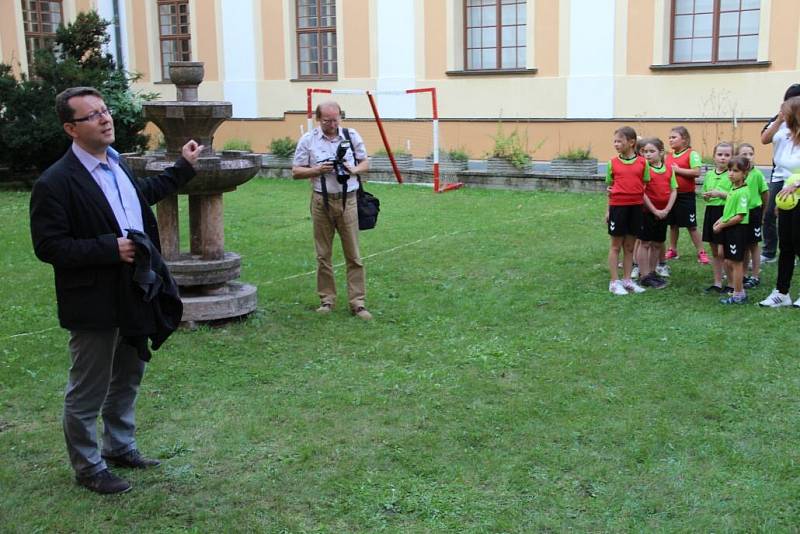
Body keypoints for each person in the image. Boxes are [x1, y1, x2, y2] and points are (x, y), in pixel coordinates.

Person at [29, 87, 203, 494]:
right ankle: (88, 468)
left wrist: (183, 168)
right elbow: (48, 246)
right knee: (88, 387)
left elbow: (138, 200)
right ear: (71, 128)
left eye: (104, 111)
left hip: (134, 291)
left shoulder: (118, 163)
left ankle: (120, 446)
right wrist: (110, 248)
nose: (105, 119)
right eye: (92, 116)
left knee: (128, 374)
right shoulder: (55, 183)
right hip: (94, 300)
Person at [292, 101, 372, 320]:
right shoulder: (308, 140)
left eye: (336, 119)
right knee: (323, 255)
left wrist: (353, 169)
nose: (332, 124)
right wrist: (317, 170)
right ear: (318, 119)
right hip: (321, 201)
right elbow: (296, 171)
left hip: (349, 200)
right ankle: (327, 300)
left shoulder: (350, 135)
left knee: (354, 254)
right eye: (327, 120)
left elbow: (366, 162)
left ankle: (358, 303)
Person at [760, 95, 800, 308]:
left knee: (798, 242)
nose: (781, 115)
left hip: (797, 192)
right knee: (785, 245)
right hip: (787, 196)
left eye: (785, 112)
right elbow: (766, 139)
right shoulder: (784, 134)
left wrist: (797, 184)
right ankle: (781, 292)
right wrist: (780, 201)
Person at [605, 126, 650, 295]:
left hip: (636, 207)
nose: (616, 144)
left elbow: (645, 181)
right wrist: (608, 210)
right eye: (614, 141)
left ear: (631, 143)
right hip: (618, 207)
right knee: (616, 245)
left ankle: (627, 280)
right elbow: (609, 187)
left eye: (619, 141)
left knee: (630, 246)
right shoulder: (612, 163)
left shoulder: (642, 163)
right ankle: (614, 282)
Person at [665, 126, 709, 264]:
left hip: (686, 196)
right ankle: (672, 250)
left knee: (691, 225)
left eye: (674, 137)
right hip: (671, 196)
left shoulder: (692, 154)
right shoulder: (669, 156)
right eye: (669, 137)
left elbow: (696, 172)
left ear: (684, 140)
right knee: (673, 225)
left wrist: (677, 170)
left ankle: (701, 251)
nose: (670, 140)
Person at [638, 137, 676, 289]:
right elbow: (642, 191)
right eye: (645, 152)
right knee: (645, 242)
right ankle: (644, 274)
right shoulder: (644, 169)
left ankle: (652, 272)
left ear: (661, 152)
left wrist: (666, 210)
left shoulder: (668, 169)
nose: (648, 155)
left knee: (657, 243)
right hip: (647, 212)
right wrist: (654, 210)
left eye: (651, 151)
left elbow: (674, 190)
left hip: (664, 213)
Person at [713, 155, 752, 304]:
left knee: (736, 263)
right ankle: (738, 289)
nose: (731, 173)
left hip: (737, 230)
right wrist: (720, 220)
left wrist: (722, 225)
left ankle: (738, 294)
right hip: (729, 228)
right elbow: (729, 211)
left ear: (744, 174)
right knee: (728, 261)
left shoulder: (743, 192)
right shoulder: (733, 188)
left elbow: (739, 216)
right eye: (729, 170)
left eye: (735, 171)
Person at [701, 141, 733, 293]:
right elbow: (705, 192)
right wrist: (706, 196)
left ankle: (732, 283)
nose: (723, 158)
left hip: (726, 212)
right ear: (714, 157)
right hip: (711, 212)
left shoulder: (733, 174)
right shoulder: (708, 174)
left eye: (727, 155)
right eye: (720, 155)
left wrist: (720, 194)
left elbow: (736, 196)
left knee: (725, 251)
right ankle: (717, 282)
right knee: (715, 251)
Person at [737, 142, 768, 288]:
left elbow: (765, 193)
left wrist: (762, 213)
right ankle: (743, 274)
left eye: (751, 154)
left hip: (754, 212)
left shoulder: (757, 174)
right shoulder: (736, 173)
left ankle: (755, 275)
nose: (748, 157)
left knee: (753, 245)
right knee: (743, 244)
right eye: (744, 154)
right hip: (741, 213)